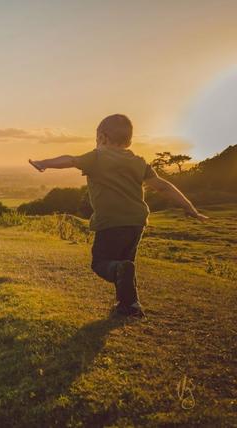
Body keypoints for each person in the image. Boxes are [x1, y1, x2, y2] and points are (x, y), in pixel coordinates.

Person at [28, 114, 207, 317]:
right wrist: (189, 206)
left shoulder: (97, 156)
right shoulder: (139, 162)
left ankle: (127, 300)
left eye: (96, 139)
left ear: (102, 137)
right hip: (137, 223)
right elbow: (163, 186)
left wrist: (44, 163)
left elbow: (70, 160)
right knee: (126, 265)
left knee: (102, 263)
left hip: (111, 222)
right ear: (129, 141)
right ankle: (130, 306)